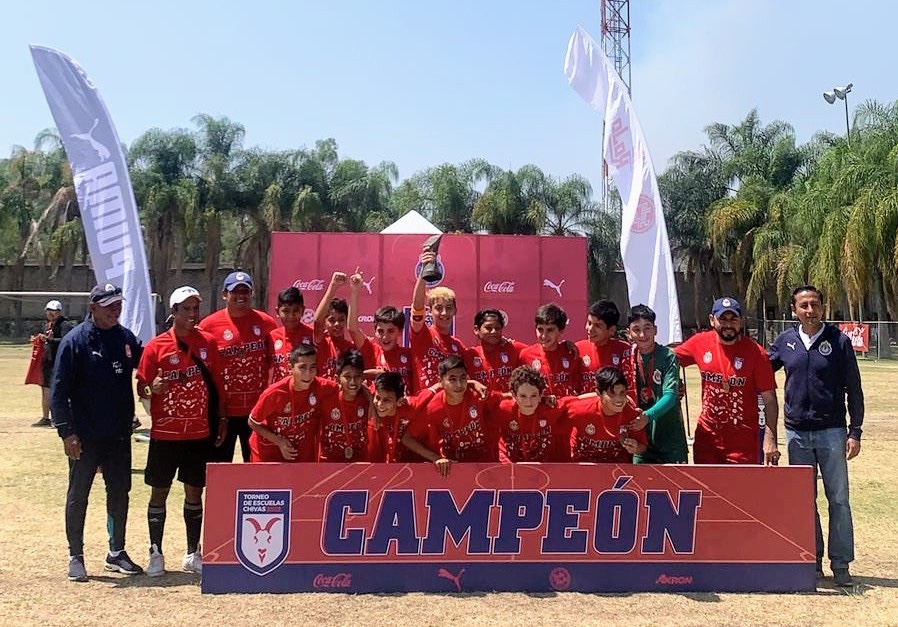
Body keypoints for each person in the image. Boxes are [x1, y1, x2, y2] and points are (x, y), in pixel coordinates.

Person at [769, 286, 864, 586]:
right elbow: (761, 373)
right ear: (794, 310)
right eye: (804, 305)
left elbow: (854, 388)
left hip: (832, 432)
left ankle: (841, 564)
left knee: (839, 499)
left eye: (815, 304)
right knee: (803, 501)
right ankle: (811, 560)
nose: (810, 310)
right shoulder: (785, 341)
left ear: (823, 307)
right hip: (796, 433)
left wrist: (855, 431)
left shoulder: (839, 341)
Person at [50, 283, 144, 582]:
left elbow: (147, 364)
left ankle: (116, 552)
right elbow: (58, 392)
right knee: (79, 494)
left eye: (118, 304)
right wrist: (66, 432)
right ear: (93, 308)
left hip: (118, 434)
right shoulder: (74, 341)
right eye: (109, 306)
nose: (115, 310)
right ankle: (75, 556)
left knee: (119, 492)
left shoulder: (125, 337)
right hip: (84, 435)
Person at [136, 286, 226, 577]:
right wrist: (152, 388)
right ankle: (155, 552)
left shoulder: (208, 342)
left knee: (194, 492)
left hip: (198, 433)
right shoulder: (156, 346)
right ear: (173, 312)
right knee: (159, 492)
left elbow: (217, 384)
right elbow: (141, 387)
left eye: (195, 308)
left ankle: (192, 552)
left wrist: (222, 418)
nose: (192, 314)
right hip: (165, 434)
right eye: (186, 309)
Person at [674, 297, 780, 465]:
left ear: (741, 321)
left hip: (743, 441)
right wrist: (674, 383)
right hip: (707, 438)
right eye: (722, 319)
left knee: (741, 483)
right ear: (712, 320)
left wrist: (770, 437)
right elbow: (667, 359)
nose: (728, 325)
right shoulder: (700, 342)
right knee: (705, 483)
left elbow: (770, 400)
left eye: (733, 319)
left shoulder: (756, 353)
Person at [198, 271, 277, 463]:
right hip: (222, 411)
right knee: (219, 465)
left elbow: (275, 362)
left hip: (257, 411)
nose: (241, 296)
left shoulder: (266, 323)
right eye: (235, 291)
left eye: (245, 291)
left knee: (255, 467)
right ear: (224, 294)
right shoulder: (208, 325)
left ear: (252, 294)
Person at [401, 355, 501, 469]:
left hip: (484, 466)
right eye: (452, 379)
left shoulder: (480, 396)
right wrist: (435, 458)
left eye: (463, 378)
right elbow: (407, 438)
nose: (459, 384)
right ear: (440, 381)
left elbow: (507, 400)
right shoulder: (432, 408)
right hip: (452, 467)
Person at [248, 343, 339, 462]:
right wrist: (279, 441)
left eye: (312, 367)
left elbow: (345, 387)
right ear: (290, 368)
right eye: (302, 367)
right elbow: (252, 422)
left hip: (298, 452)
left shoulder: (322, 386)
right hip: (268, 453)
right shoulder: (274, 393)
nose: (308, 373)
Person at [626, 305, 688, 464]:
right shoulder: (626, 358)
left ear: (655, 330)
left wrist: (647, 416)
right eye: (636, 329)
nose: (642, 334)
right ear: (629, 333)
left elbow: (670, 396)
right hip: (640, 442)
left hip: (670, 443)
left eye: (647, 328)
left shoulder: (668, 356)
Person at [347, 271, 418, 394]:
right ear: (375, 332)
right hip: (376, 405)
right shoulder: (371, 350)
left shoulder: (409, 355)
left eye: (391, 331)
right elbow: (353, 329)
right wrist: (355, 291)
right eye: (380, 331)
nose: (385, 336)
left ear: (400, 332)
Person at [560, 367, 647, 463]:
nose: (618, 399)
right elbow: (556, 421)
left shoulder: (632, 415)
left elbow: (643, 447)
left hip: (616, 466)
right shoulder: (580, 410)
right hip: (582, 463)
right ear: (599, 393)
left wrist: (636, 448)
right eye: (612, 394)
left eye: (622, 393)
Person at [409, 249, 466, 388]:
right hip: (425, 400)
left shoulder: (458, 346)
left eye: (449, 307)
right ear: (430, 311)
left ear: (455, 311)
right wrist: (424, 272)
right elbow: (417, 306)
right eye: (439, 308)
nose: (444, 313)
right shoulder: (422, 333)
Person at [492, 366, 568, 463]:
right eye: (523, 396)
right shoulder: (503, 409)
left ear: (541, 395)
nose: (529, 402)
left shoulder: (552, 408)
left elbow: (579, 402)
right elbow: (484, 397)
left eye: (534, 396)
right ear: (514, 395)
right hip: (509, 467)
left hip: (544, 469)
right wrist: (473, 383)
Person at [317, 349, 374, 462]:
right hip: (329, 462)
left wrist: (370, 398)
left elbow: (385, 376)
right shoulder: (326, 398)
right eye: (347, 377)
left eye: (357, 376)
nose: (352, 382)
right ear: (337, 378)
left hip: (359, 461)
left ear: (362, 378)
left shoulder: (367, 399)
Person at [369, 371, 435, 463]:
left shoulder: (411, 406)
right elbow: (362, 385)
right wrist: (370, 403)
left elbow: (436, 387)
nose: (380, 404)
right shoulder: (372, 398)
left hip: (410, 462)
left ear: (400, 401)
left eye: (387, 400)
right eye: (378, 398)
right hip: (378, 464)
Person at [519, 303, 582, 397]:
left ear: (561, 330)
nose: (544, 336)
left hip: (567, 406)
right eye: (540, 329)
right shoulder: (525, 355)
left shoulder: (571, 354)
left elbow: (578, 390)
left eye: (550, 330)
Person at [576, 299, 633, 395]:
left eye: (597, 326)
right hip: (584, 404)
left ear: (612, 330)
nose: (590, 329)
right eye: (589, 323)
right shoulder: (577, 349)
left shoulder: (624, 350)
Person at [33, 299, 75, 427]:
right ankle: (46, 417)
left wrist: (51, 340)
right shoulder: (47, 325)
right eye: (49, 311)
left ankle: (57, 418)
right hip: (47, 362)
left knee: (57, 391)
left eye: (54, 311)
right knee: (45, 390)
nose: (51, 313)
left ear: (59, 312)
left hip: (59, 362)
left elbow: (66, 342)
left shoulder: (65, 325)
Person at [464, 309, 526, 393]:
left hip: (509, 401)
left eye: (497, 328)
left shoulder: (514, 348)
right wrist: (472, 383)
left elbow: (535, 353)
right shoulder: (469, 355)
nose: (493, 332)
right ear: (476, 329)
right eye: (488, 328)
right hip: (482, 401)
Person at [313, 272, 356, 380]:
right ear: (325, 322)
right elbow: (317, 322)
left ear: (346, 320)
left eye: (341, 320)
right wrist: (333, 286)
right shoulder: (321, 342)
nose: (337, 324)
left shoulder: (352, 348)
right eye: (332, 320)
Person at [269, 286, 314, 382]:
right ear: (277, 311)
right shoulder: (272, 337)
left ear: (303, 311)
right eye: (286, 311)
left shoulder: (312, 335)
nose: (291, 316)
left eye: (296, 310)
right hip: (280, 390)